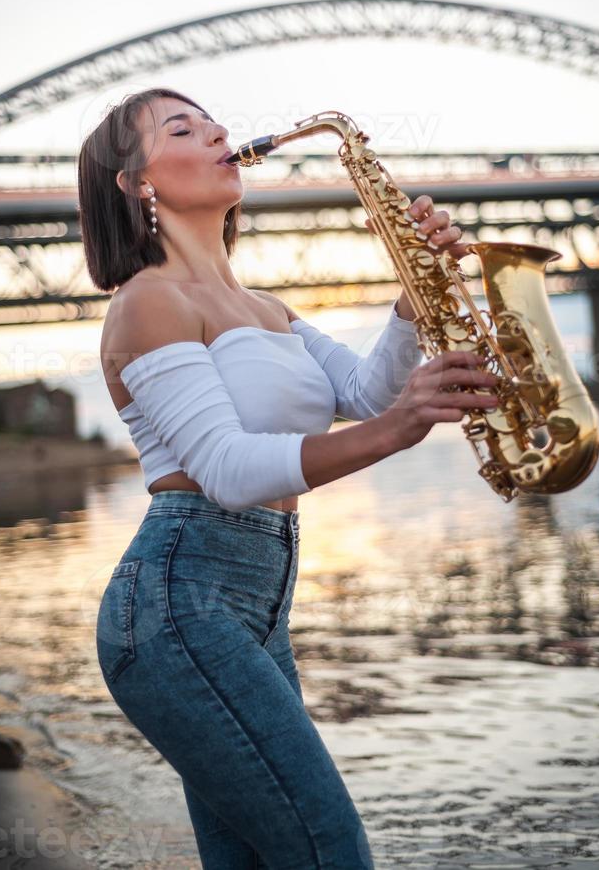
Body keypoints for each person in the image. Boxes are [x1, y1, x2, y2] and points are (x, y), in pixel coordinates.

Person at [78, 86, 499, 869]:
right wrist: (400, 427)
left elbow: (368, 393)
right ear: (136, 182)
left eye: (213, 121)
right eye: (183, 127)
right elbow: (230, 471)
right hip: (178, 606)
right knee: (328, 851)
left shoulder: (268, 308)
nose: (219, 133)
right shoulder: (145, 305)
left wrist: (417, 299)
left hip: (258, 603)